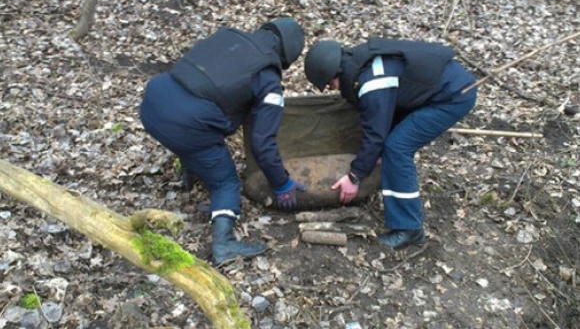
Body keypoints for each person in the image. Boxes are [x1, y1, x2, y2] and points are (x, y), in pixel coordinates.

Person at [140, 18, 307, 265]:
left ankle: (190, 171)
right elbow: (262, 141)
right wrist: (281, 183)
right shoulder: (268, 79)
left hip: (152, 103)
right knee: (226, 183)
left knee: (193, 128)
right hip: (185, 123)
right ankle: (224, 244)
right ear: (288, 56)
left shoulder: (228, 38)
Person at [304, 37, 477, 250]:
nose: (332, 88)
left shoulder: (372, 83)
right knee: (390, 144)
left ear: (336, 71)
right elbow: (385, 114)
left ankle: (409, 229)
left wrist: (354, 177)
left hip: (453, 96)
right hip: (433, 87)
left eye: (330, 84)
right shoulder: (359, 62)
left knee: (397, 148)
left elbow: (375, 134)